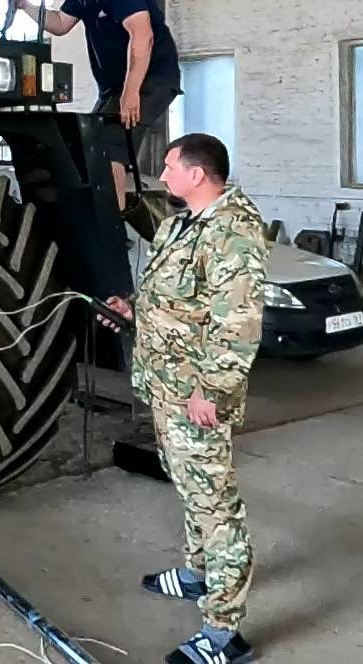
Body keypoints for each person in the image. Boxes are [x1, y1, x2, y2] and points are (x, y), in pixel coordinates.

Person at [99, 133, 266, 664]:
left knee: (216, 505)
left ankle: (223, 631)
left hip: (197, 392)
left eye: (170, 167)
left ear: (197, 174)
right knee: (189, 486)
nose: (164, 176)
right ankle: (198, 574)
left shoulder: (233, 232)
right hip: (167, 385)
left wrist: (211, 390)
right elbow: (173, 299)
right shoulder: (181, 223)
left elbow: (237, 324)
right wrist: (133, 310)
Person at [14, 0, 180, 205]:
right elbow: (60, 24)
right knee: (87, 140)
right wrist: (25, 5)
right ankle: (99, 215)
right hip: (115, 88)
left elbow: (144, 36)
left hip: (150, 81)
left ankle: (112, 231)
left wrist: (131, 91)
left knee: (109, 148)